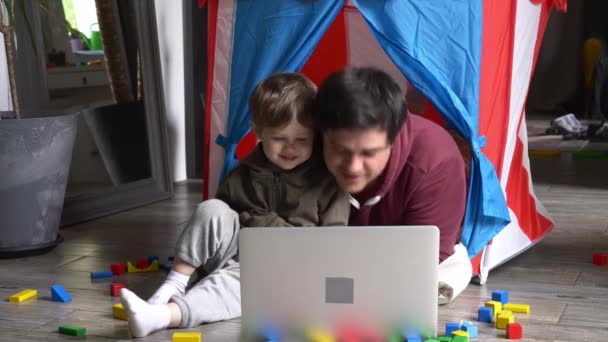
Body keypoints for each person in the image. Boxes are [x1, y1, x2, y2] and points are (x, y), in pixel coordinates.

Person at [119, 72, 350, 337]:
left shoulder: (327, 181)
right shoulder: (243, 174)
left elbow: (335, 245)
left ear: (316, 135)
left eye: (301, 140)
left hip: (282, 270)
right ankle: (174, 283)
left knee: (236, 283)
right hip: (237, 251)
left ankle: (161, 316)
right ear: (258, 131)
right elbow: (216, 224)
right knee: (211, 209)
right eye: (279, 138)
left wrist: (263, 223)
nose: (290, 148)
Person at [313, 66, 473, 303]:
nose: (353, 167)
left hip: (401, 260)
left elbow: (425, 257)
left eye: (369, 153)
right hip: (327, 255)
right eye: (340, 150)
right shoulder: (305, 145)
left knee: (435, 278)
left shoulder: (435, 161)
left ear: (393, 138)